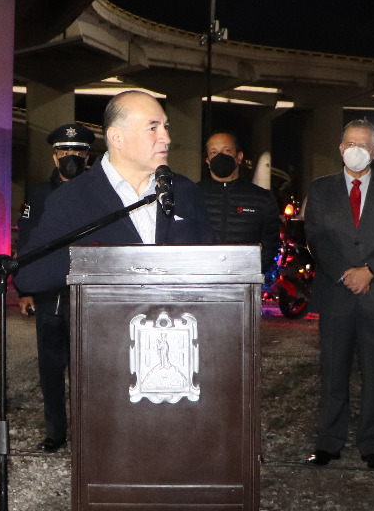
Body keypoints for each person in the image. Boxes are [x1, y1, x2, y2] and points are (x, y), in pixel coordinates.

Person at [14, 90, 213, 297]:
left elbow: (213, 267)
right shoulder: (71, 198)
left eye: (166, 127)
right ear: (116, 137)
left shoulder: (184, 190)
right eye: (153, 128)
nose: (167, 138)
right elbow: (28, 276)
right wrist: (101, 261)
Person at [303, 120, 374, 470]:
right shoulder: (320, 189)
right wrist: (344, 273)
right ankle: (328, 443)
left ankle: (372, 445)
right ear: (340, 148)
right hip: (336, 293)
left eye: (363, 145)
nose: (356, 150)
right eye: (350, 143)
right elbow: (315, 236)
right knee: (333, 371)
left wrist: (369, 271)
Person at [15, 122, 94, 452]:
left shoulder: (100, 194)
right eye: (65, 151)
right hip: (50, 295)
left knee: (87, 370)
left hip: (89, 294)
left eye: (78, 151)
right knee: (50, 368)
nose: (71, 156)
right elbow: (26, 243)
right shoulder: (39, 195)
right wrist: (24, 289)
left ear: (88, 157)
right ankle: (55, 433)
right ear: (54, 156)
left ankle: (88, 436)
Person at [197, 131, 282, 273]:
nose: (220, 156)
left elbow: (270, 245)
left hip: (244, 279)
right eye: (214, 152)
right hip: (202, 277)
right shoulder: (193, 194)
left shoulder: (262, 198)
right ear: (207, 161)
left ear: (239, 157)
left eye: (226, 150)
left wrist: (248, 272)